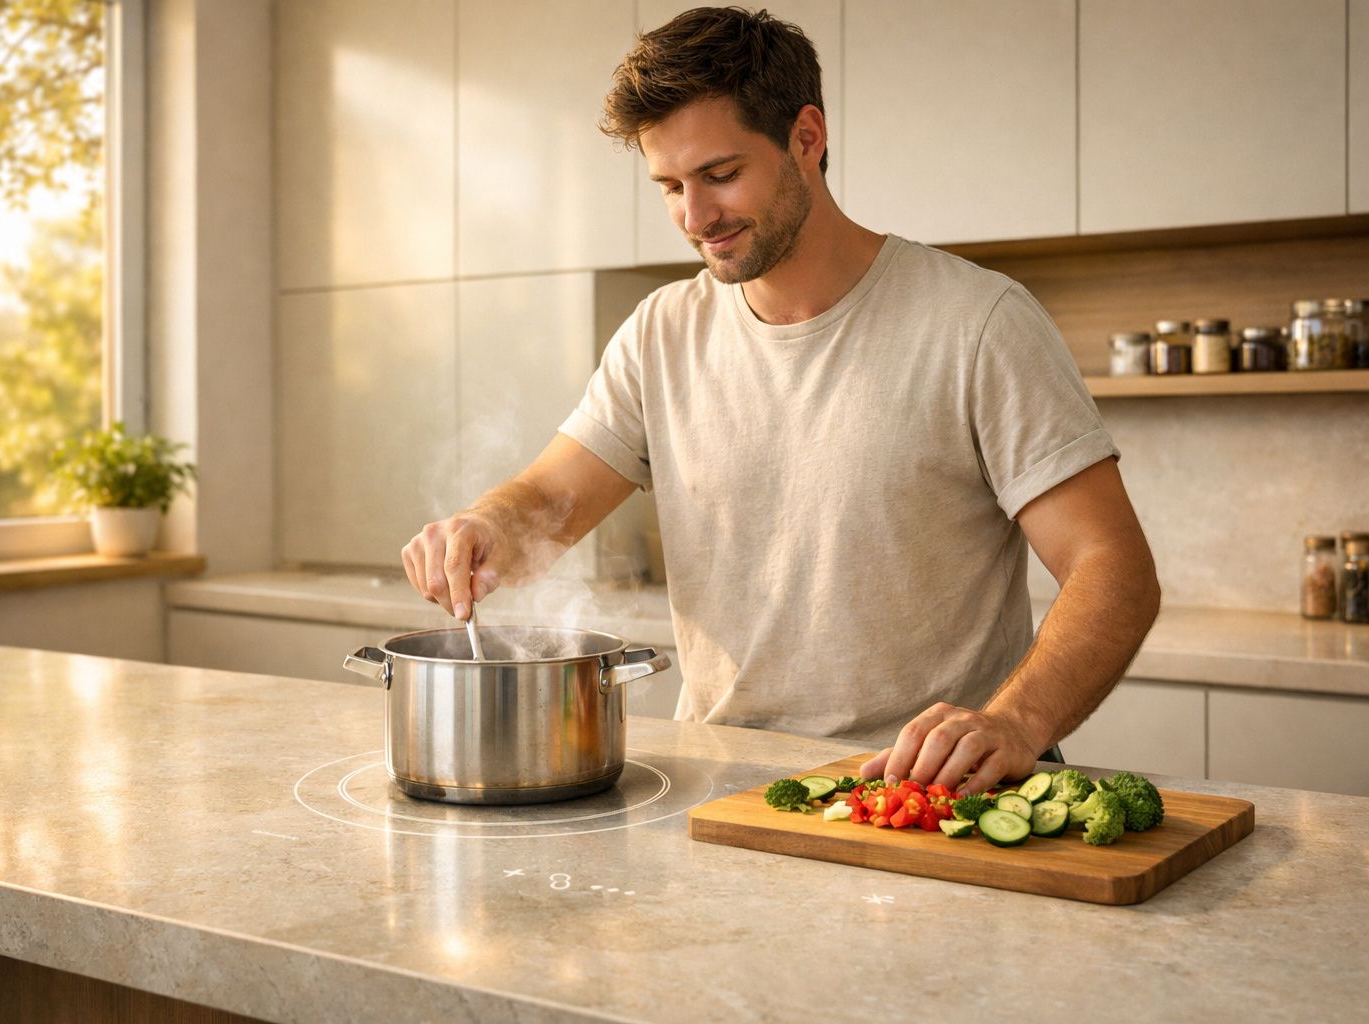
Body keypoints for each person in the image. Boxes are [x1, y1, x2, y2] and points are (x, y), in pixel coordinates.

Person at [402, 7, 1160, 798]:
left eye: (721, 175)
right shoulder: (662, 331)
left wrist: (1016, 723)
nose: (695, 218)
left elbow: (1114, 567)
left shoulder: (978, 324)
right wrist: (485, 527)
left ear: (806, 137)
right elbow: (550, 501)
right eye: (670, 186)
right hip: (731, 792)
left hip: (929, 795)